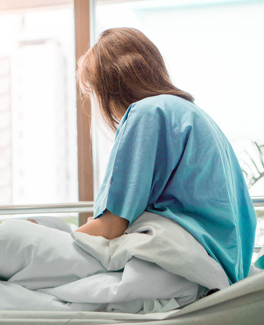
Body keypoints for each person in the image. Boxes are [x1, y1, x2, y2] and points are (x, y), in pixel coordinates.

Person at [74, 27, 256, 284]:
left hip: (190, 260)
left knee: (19, 242)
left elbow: (111, 226)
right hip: (225, 261)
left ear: (109, 85)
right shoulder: (191, 113)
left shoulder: (146, 113)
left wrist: (57, 239)